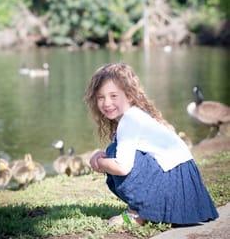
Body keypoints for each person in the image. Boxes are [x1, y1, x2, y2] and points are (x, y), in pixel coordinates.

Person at [85, 62, 219, 226]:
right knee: (114, 151)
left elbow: (123, 166)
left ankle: (136, 215)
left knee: (114, 153)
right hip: (184, 181)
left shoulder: (129, 120)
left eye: (113, 96)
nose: (106, 103)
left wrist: (99, 162)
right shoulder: (136, 115)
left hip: (173, 181)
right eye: (101, 97)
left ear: (129, 95)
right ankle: (150, 210)